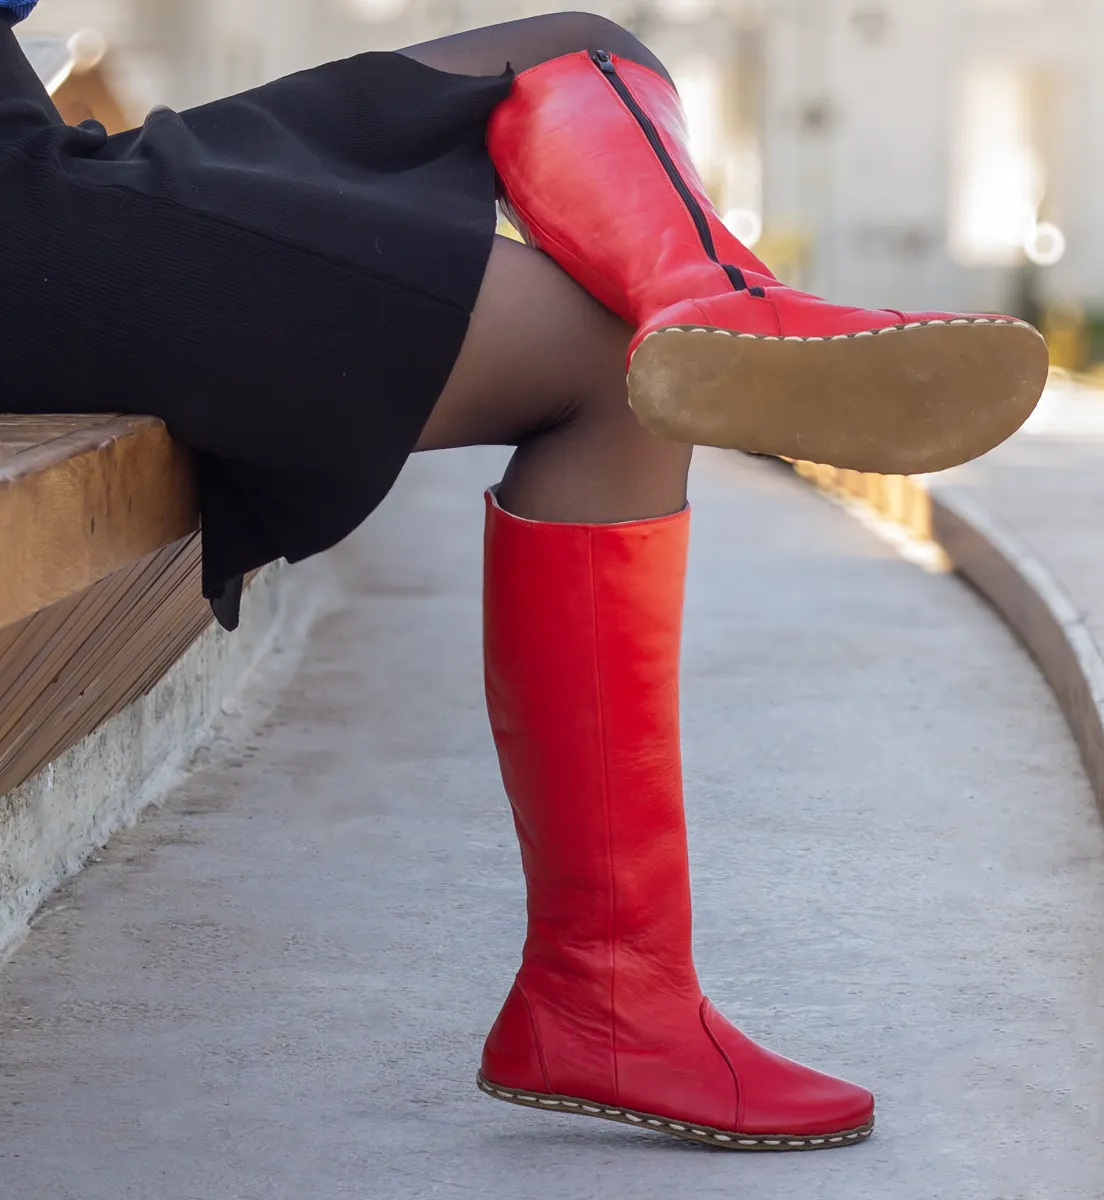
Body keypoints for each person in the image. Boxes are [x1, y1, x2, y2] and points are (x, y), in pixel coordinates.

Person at [1, 5, 1049, 1151]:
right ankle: (608, 996)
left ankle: (716, 302)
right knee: (622, 370)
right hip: (28, 226)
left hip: (42, 174)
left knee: (576, 49)